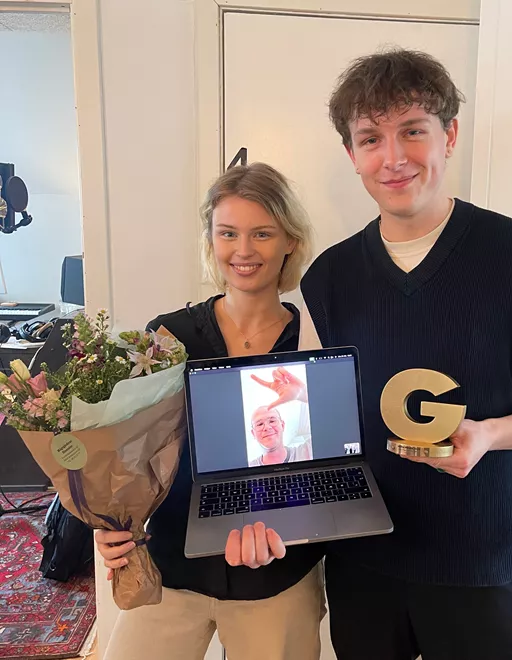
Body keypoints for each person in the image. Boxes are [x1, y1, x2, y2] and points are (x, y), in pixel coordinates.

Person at [299, 49, 512, 660]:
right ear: (352, 154)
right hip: (363, 561)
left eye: (412, 131)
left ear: (449, 136)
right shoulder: (328, 279)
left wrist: (490, 434)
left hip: (481, 558)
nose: (393, 157)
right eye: (371, 138)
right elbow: (314, 421)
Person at [96, 163, 325, 660]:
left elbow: (330, 456)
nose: (243, 251)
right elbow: (127, 452)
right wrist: (109, 523)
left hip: (279, 575)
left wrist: (305, 400)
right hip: (170, 570)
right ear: (211, 240)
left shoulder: (316, 342)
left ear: (290, 240)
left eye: (262, 233)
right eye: (228, 233)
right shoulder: (167, 337)